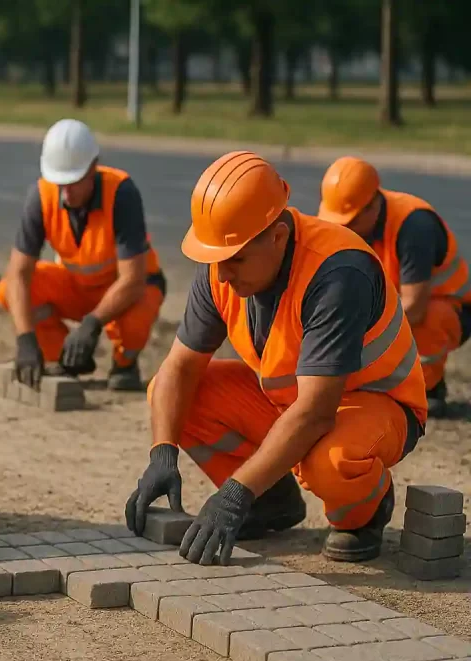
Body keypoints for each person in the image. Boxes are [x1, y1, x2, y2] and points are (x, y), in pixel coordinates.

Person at [126, 151, 427, 566]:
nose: (223, 275)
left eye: (235, 260)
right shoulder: (222, 266)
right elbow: (178, 368)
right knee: (171, 392)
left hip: (374, 406)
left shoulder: (337, 273)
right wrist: (162, 453)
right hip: (295, 402)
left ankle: (365, 511)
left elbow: (317, 414)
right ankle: (272, 501)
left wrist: (234, 493)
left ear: (278, 236)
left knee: (330, 461)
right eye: (216, 261)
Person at [0, 119, 165, 391]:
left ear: (93, 167)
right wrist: (25, 340)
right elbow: (18, 274)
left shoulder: (121, 192)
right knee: (8, 291)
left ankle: (125, 363)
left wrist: (92, 324)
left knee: (140, 308)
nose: (66, 191)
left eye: (73, 181)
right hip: (77, 288)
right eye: (59, 181)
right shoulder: (41, 196)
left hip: (126, 290)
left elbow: (133, 280)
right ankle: (62, 356)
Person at [318, 156, 470, 417]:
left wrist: (356, 338)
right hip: (388, 301)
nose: (343, 230)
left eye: (349, 222)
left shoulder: (414, 226)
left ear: (372, 206)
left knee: (431, 320)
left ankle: (428, 389)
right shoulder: (347, 224)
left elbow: (414, 308)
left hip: (449, 308)